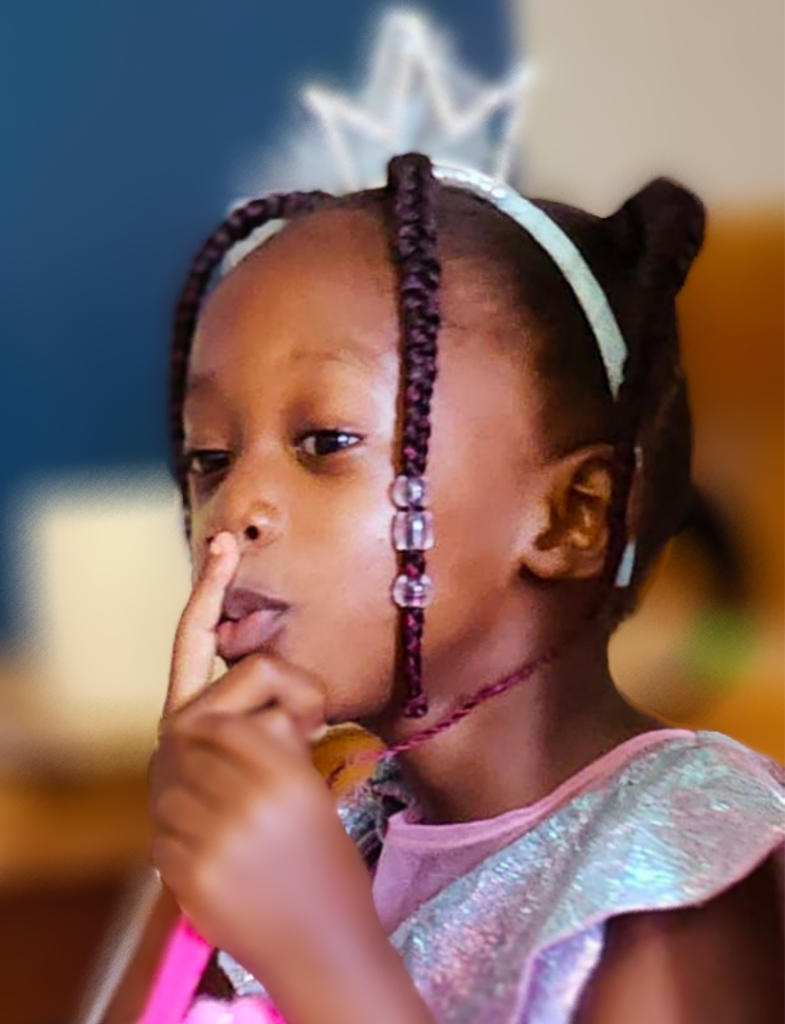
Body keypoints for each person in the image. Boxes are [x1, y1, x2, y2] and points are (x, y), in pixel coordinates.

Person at [146, 153, 784, 1024]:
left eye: (326, 441)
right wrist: (174, 894)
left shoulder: (692, 875)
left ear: (570, 519)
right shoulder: (339, 832)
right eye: (209, 459)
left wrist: (318, 955)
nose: (237, 509)